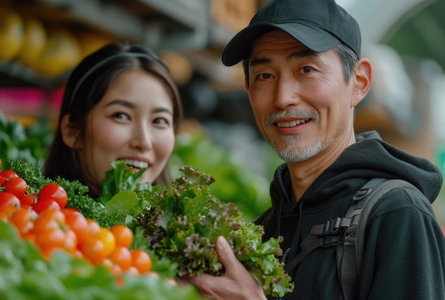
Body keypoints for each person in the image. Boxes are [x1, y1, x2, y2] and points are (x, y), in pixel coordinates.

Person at [188, 0, 445, 299]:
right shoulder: (266, 228)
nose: (283, 98)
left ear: (359, 82)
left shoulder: (396, 215)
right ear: (248, 88)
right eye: (265, 76)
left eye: (306, 69)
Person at [44, 43, 183, 197]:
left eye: (159, 121)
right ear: (72, 131)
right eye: (121, 116)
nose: (144, 142)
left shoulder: (178, 220)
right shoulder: (37, 217)